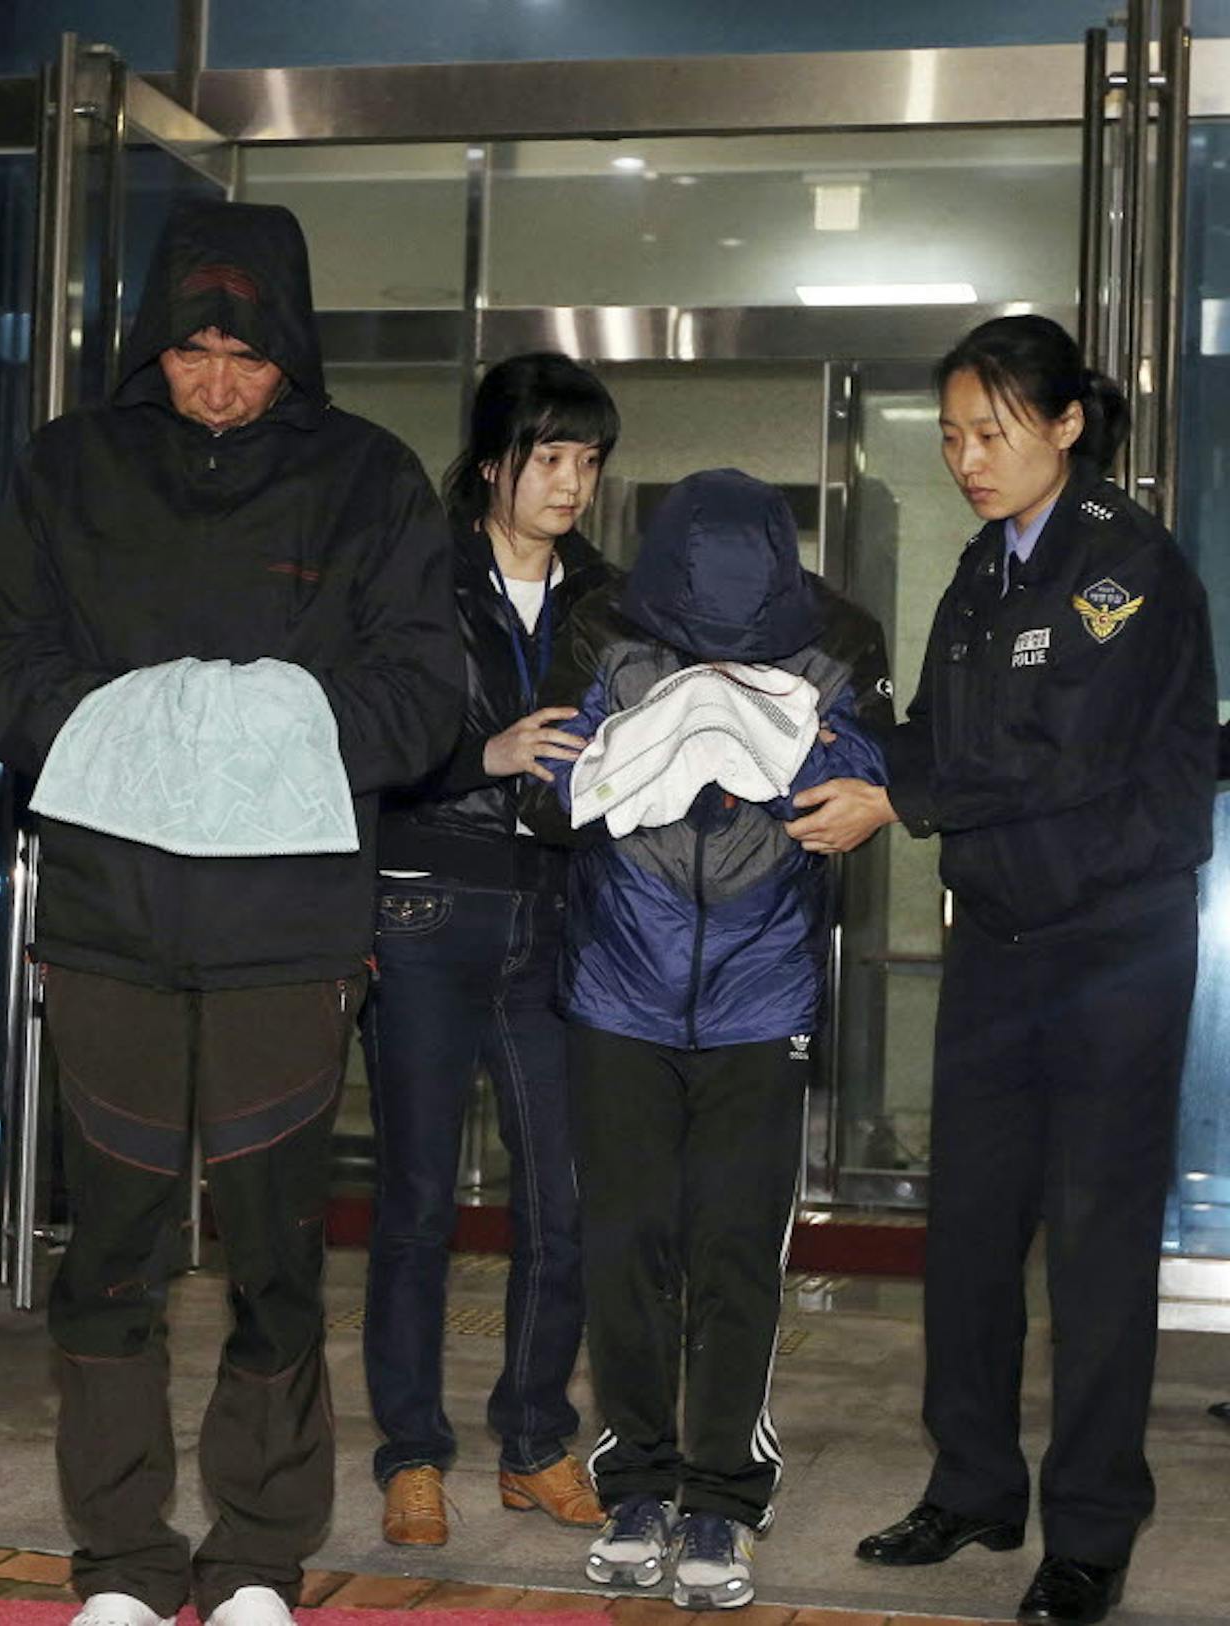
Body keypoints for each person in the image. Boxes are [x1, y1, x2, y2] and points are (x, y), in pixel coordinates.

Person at [0, 199, 462, 1626]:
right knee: (109, 1251)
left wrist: (264, 720)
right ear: (151, 343)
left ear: (290, 350)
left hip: (288, 932)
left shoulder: (370, 479)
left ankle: (254, 1554)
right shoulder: (70, 466)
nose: (217, 381)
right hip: (111, 921)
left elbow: (426, 696)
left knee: (275, 1254)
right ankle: (120, 1556)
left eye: (245, 355)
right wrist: (139, 719)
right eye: (190, 351)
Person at [792, 315, 1215, 1626]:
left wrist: (895, 801)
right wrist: (828, 741)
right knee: (968, 1235)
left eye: (995, 432)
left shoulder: (1124, 570)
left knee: (1092, 1250)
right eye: (955, 434)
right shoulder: (983, 567)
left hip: (1112, 949)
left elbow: (1059, 756)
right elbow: (938, 732)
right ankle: (973, 1480)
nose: (969, 459)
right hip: (999, 946)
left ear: (1068, 423)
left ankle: (1090, 1527)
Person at [521, 469, 892, 1611]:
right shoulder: (601, 622)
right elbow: (540, 795)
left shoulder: (841, 634)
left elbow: (868, 792)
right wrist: (622, 754)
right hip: (617, 991)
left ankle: (725, 1500)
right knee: (626, 1246)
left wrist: (806, 764)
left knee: (735, 1251)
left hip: (761, 996)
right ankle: (637, 1478)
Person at [363, 353, 619, 1548]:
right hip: (427, 902)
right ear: (493, 457)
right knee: (416, 1199)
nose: (573, 483)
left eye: (590, 461)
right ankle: (412, 1453)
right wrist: (487, 760)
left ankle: (535, 1439)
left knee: (559, 1199)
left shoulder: (609, 598)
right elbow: (368, 736)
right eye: (552, 457)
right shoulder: (417, 573)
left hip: (561, 911)